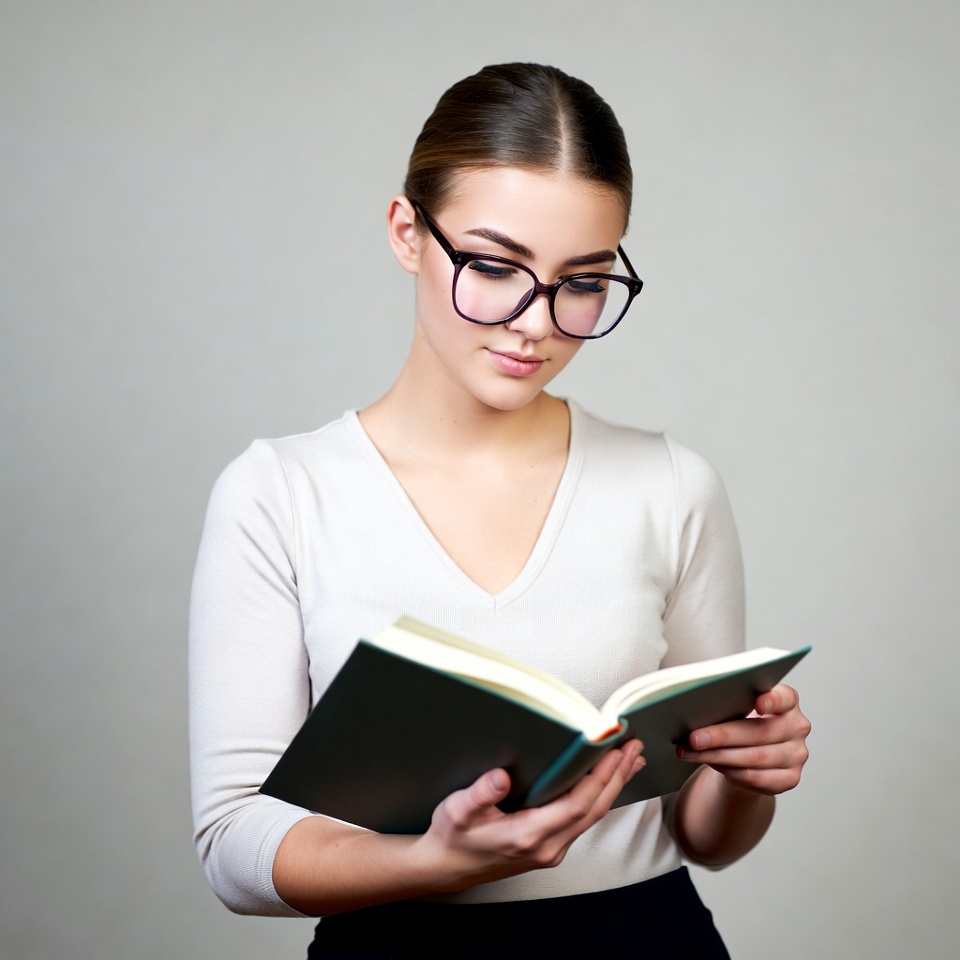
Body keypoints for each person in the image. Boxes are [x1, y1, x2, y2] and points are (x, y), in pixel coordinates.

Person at [189, 62, 811, 958]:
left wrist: (751, 775)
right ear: (408, 231)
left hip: (644, 942)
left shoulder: (671, 486)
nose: (537, 323)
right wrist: (432, 862)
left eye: (583, 281)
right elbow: (232, 846)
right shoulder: (280, 493)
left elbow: (705, 838)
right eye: (493, 266)